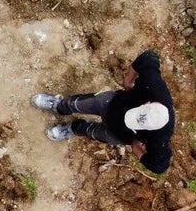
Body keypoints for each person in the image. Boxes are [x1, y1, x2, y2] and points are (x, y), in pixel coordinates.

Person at [33, 50, 176, 174]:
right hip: (111, 103)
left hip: (118, 134)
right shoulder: (155, 87)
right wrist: (128, 80)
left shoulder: (161, 137)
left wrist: (136, 148)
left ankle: (72, 129)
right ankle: (58, 106)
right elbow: (148, 58)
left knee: (91, 132)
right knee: (79, 104)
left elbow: (159, 166)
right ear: (149, 103)